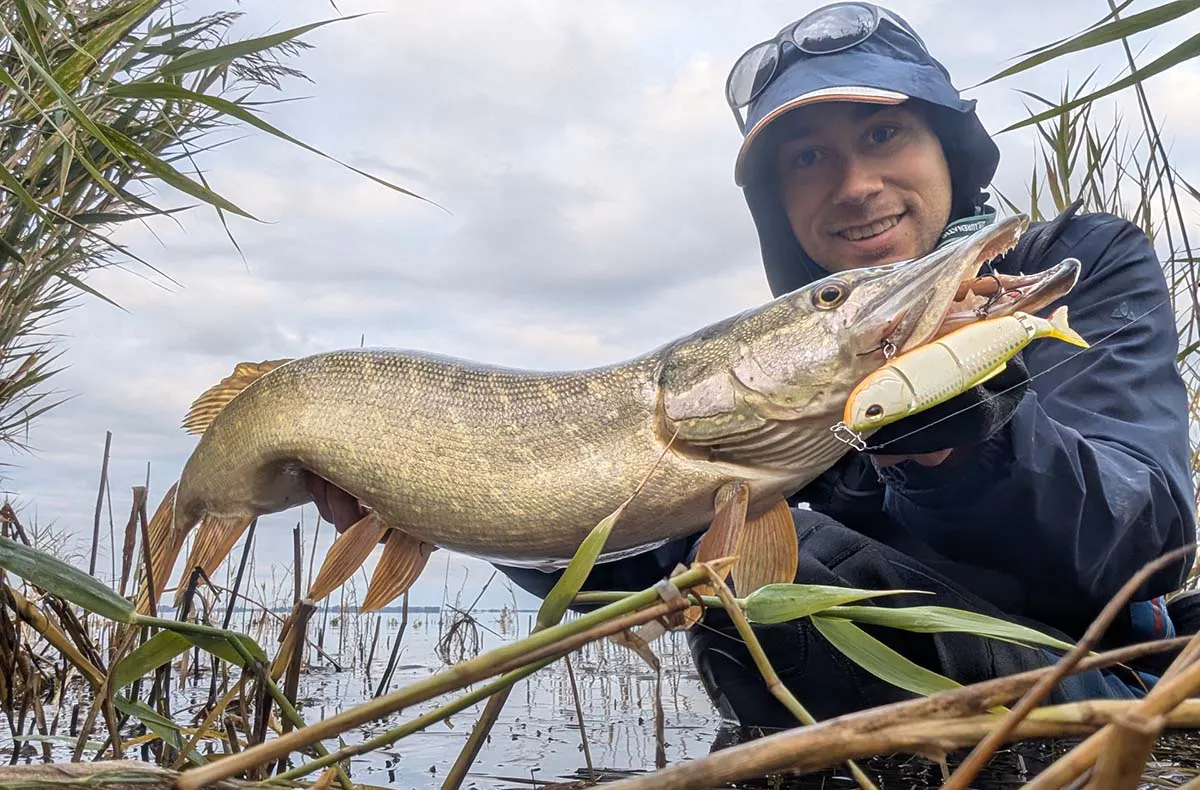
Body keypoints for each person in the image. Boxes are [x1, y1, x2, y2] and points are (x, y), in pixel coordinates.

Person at [305, 2, 1197, 729]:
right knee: (753, 582)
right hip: (855, 676)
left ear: (948, 152)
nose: (853, 184)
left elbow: (1144, 544)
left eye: (884, 135)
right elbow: (647, 563)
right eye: (807, 159)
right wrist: (446, 499)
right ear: (778, 206)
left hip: (1086, 673)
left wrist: (964, 440)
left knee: (788, 582)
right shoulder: (777, 359)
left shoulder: (1079, 263)